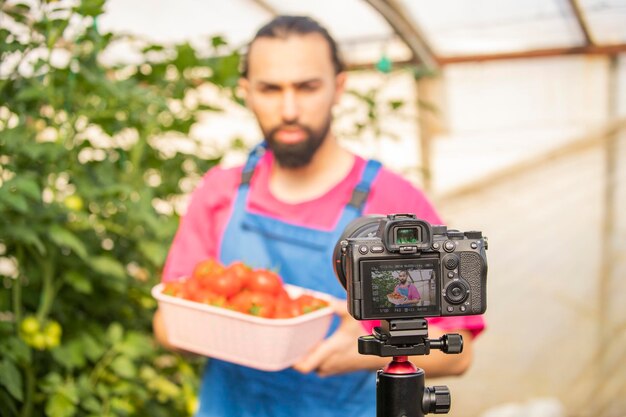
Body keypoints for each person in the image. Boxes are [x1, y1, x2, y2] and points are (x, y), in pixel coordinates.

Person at [153, 15, 485, 417]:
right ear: (246, 92)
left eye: (307, 87)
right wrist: (230, 328)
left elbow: (460, 350)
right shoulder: (219, 191)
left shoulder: (393, 201)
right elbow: (167, 323)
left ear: (338, 87)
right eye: (271, 89)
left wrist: (366, 350)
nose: (289, 109)